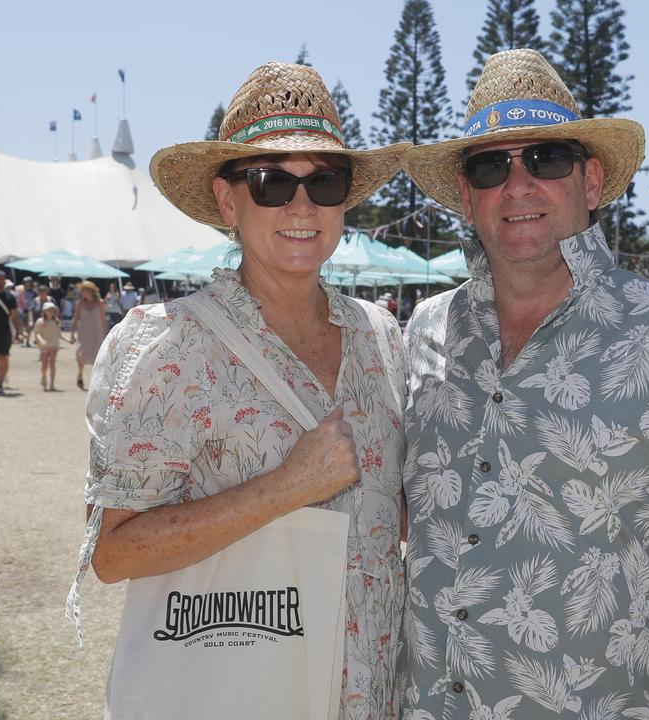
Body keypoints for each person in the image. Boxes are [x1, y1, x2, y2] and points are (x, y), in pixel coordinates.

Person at [395, 50, 649, 719]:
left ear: (592, 179)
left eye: (546, 158)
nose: (518, 185)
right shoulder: (423, 332)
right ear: (467, 195)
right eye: (491, 166)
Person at [67, 61, 411, 719]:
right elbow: (113, 553)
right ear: (228, 201)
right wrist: (285, 488)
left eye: (325, 181)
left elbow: (385, 515)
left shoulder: (381, 338)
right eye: (271, 182)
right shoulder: (168, 345)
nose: (302, 206)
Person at [70, 280, 109, 390]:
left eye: (86, 291)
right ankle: (80, 374)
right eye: (83, 291)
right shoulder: (80, 303)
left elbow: (103, 319)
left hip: (96, 332)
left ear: (91, 291)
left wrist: (106, 334)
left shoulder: (100, 303)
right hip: (84, 332)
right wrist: (72, 333)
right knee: (81, 355)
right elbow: (75, 318)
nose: (84, 293)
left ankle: (95, 380)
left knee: (97, 357)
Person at [32, 301, 69, 391]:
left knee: (52, 364)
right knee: (44, 364)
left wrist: (68, 340)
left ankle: (52, 384)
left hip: (54, 345)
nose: (51, 312)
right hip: (44, 346)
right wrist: (41, 341)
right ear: (44, 311)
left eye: (52, 310)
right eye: (49, 310)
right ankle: (44, 376)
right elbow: (37, 334)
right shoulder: (40, 321)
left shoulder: (56, 322)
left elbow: (59, 334)